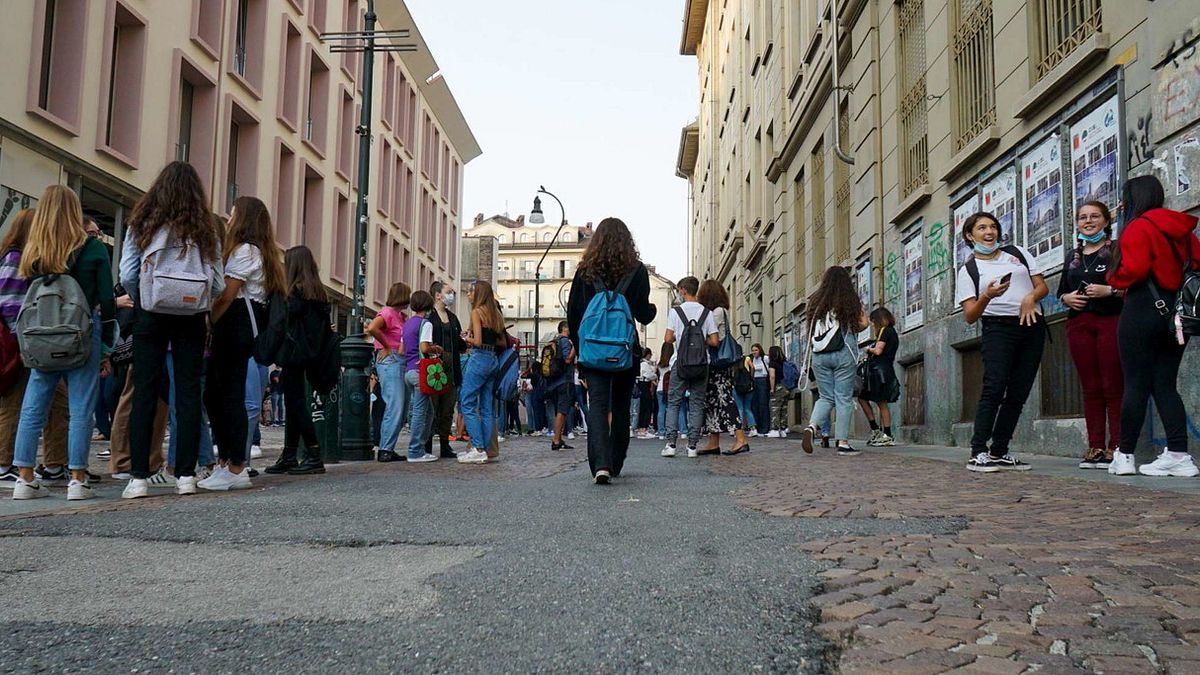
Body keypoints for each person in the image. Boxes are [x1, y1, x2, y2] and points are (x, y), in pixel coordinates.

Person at [10, 186, 114, 501]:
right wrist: (107, 345)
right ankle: (77, 479)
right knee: (81, 406)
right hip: (82, 332)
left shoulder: (34, 251)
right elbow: (107, 301)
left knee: (33, 405)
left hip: (41, 335)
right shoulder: (93, 249)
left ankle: (24, 477)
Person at [1107, 176, 1200, 478]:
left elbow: (1132, 270)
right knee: (1165, 384)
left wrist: (1113, 278)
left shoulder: (1138, 226)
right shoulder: (1184, 230)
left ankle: (1124, 455)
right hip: (1178, 314)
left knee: (1135, 384)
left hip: (1142, 309)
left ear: (1133, 198)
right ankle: (1178, 454)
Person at [199, 196, 285, 491]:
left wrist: (209, 319)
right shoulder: (260, 252)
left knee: (226, 394)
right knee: (218, 393)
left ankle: (235, 465)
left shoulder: (246, 251)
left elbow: (227, 293)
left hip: (234, 324)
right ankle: (228, 462)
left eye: (233, 213)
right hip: (241, 326)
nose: (229, 218)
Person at [955, 211, 1048, 472]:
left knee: (1019, 392)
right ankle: (978, 451)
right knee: (994, 388)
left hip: (1031, 325)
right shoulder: (969, 270)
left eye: (993, 227)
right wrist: (987, 295)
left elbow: (1041, 286)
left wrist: (1030, 298)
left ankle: (1000, 450)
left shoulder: (1017, 253)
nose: (989, 232)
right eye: (982, 228)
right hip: (998, 329)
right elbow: (970, 315)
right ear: (969, 236)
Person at [566, 217, 657, 483]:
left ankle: (601, 465)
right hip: (625, 351)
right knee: (620, 406)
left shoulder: (585, 271)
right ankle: (616, 462)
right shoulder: (636, 270)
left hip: (593, 351)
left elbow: (574, 314)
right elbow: (643, 313)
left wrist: (579, 350)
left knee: (597, 406)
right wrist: (650, 309)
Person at [0, 209, 70, 490]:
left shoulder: (23, 259)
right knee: (14, 405)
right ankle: (4, 464)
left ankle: (54, 464)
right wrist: (26, 336)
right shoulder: (14, 259)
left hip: (30, 345)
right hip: (22, 346)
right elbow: (8, 304)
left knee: (56, 402)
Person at [1057, 201, 1124, 469]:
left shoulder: (1117, 250)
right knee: (1091, 387)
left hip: (1111, 321)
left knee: (1113, 385)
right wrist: (1067, 298)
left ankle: (1117, 447)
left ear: (1106, 222)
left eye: (1095, 216)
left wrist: (1110, 291)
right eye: (1083, 217)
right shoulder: (1073, 255)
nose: (1089, 221)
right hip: (1079, 325)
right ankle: (1095, 446)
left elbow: (1131, 285)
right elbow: (1062, 290)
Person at [264, 246, 332, 474]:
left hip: (294, 355)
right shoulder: (318, 293)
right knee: (294, 404)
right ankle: (290, 453)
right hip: (312, 354)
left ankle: (313, 453)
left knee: (295, 404)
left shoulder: (296, 294)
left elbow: (283, 319)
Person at [800, 266, 870, 456]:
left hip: (819, 356)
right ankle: (843, 442)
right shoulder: (849, 300)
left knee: (826, 397)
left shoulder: (815, 302)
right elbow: (863, 324)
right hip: (843, 353)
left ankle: (812, 427)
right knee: (843, 398)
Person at [662, 276, 720, 458]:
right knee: (696, 404)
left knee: (674, 403)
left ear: (682, 290)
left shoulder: (675, 312)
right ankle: (692, 446)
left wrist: (683, 337)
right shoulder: (707, 313)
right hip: (702, 364)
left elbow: (667, 339)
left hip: (680, 363)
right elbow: (715, 341)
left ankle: (671, 444)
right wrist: (699, 339)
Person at [696, 279, 750, 456]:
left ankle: (741, 439)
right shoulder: (719, 310)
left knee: (724, 399)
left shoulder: (717, 312)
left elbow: (714, 338)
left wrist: (698, 339)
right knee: (712, 400)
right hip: (716, 364)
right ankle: (713, 441)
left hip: (718, 363)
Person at [458, 280, 505, 464]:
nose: (468, 295)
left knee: (467, 402)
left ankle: (477, 447)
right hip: (492, 359)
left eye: (470, 292)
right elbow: (502, 342)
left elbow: (476, 341)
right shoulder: (496, 314)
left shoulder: (477, 312)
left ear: (478, 294)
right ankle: (489, 450)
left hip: (479, 358)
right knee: (487, 408)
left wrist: (467, 338)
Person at [366, 282, 410, 462]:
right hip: (390, 360)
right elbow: (372, 328)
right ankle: (385, 448)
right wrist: (385, 345)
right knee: (396, 404)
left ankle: (388, 446)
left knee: (402, 406)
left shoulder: (400, 316)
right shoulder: (387, 313)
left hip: (399, 360)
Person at [402, 290, 440, 463]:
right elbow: (424, 348)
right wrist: (436, 348)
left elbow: (401, 350)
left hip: (408, 371)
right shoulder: (426, 323)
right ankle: (416, 450)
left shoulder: (407, 323)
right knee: (420, 412)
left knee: (426, 411)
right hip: (420, 371)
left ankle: (420, 447)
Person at [428, 281, 465, 458]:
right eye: (448, 292)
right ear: (437, 295)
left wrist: (465, 340)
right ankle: (427, 442)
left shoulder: (453, 318)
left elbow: (459, 343)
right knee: (432, 405)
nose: (452, 295)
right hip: (434, 366)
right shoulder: (429, 317)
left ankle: (444, 443)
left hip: (452, 364)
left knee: (448, 406)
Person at [857, 308, 900, 447]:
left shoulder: (885, 331)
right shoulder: (892, 332)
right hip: (884, 370)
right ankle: (877, 429)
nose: (873, 324)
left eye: (874, 321)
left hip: (879, 372)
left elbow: (878, 350)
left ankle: (886, 434)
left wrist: (868, 349)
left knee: (880, 402)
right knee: (865, 398)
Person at [545, 321, 575, 451]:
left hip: (553, 381)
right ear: (564, 328)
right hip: (565, 380)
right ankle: (556, 439)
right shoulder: (565, 341)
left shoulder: (554, 341)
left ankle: (558, 438)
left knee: (558, 409)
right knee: (562, 411)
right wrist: (576, 347)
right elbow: (568, 359)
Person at [767, 346, 791, 438]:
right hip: (786, 387)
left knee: (775, 408)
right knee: (783, 409)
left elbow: (772, 376)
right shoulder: (783, 362)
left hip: (778, 387)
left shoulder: (772, 363)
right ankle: (783, 429)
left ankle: (775, 429)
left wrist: (772, 388)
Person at [749, 344, 771, 437]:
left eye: (756, 350)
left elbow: (770, 369)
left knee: (763, 404)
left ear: (760, 350)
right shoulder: (752, 359)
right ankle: (757, 427)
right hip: (755, 381)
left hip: (763, 380)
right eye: (753, 350)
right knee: (755, 405)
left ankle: (765, 428)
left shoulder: (765, 358)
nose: (754, 352)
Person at [732, 353, 758, 436]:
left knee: (739, 408)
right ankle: (753, 429)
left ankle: (739, 429)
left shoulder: (732, 359)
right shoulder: (747, 358)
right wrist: (751, 378)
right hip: (748, 387)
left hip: (737, 387)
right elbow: (753, 368)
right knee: (747, 408)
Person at [634, 348, 657, 439]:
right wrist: (654, 375)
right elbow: (650, 375)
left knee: (642, 408)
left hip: (640, 385)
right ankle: (644, 429)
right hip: (644, 385)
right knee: (647, 407)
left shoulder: (639, 363)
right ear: (647, 354)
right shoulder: (644, 364)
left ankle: (641, 429)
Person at [655, 343, 674, 439]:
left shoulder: (659, 362)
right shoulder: (673, 361)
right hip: (669, 387)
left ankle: (661, 432)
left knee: (661, 410)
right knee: (670, 410)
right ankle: (669, 431)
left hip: (659, 387)